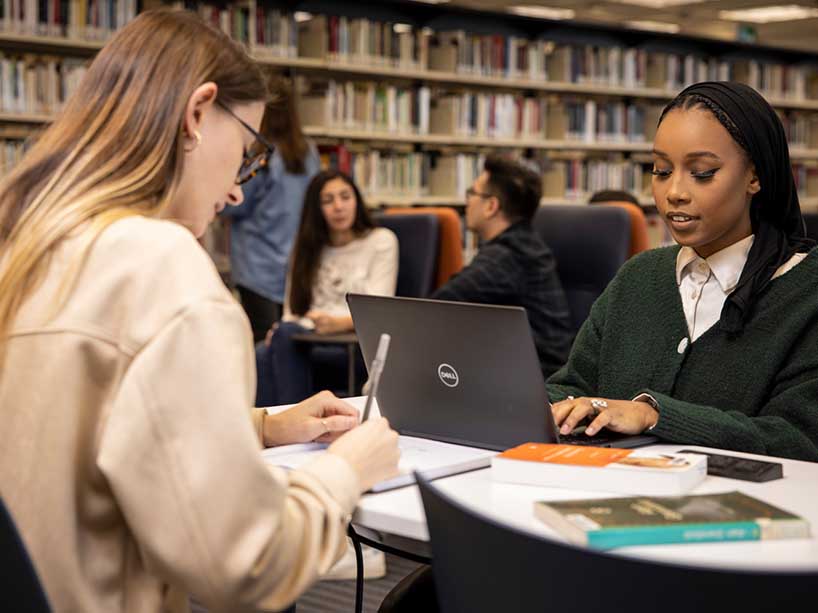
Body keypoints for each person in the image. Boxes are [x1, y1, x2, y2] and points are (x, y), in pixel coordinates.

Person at [0, 10, 400, 613]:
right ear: (197, 114)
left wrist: (265, 426)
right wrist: (346, 471)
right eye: (244, 151)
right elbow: (246, 566)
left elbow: (86, 433)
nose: (238, 189)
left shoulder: (27, 242)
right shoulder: (162, 267)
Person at [548, 81, 818, 462]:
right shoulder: (638, 276)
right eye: (660, 170)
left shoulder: (807, 292)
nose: (674, 191)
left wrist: (654, 415)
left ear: (755, 177)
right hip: (609, 495)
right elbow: (571, 386)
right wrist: (545, 405)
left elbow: (800, 439)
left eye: (702, 173)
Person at [257, 170, 399, 405]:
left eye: (345, 197)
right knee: (269, 346)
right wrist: (286, 326)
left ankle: (287, 425)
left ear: (357, 200)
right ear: (316, 209)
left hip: (353, 344)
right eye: (327, 200)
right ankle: (284, 427)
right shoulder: (305, 249)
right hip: (308, 337)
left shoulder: (381, 241)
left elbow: (378, 310)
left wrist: (338, 324)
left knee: (269, 351)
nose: (338, 207)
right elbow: (293, 310)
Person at [431, 154, 573, 378]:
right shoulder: (523, 245)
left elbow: (432, 308)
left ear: (491, 206)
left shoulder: (507, 256)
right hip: (525, 373)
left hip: (534, 384)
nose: (467, 201)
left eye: (472, 193)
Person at [222, 76, 320, 342]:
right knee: (289, 343)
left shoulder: (258, 153)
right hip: (296, 263)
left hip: (257, 266)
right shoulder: (308, 152)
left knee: (261, 345)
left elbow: (234, 205)